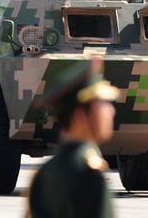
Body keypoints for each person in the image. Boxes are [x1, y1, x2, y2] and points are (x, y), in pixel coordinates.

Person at [26, 57, 117, 218]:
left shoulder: (43, 174)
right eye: (101, 104)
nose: (110, 111)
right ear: (80, 115)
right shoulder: (90, 176)